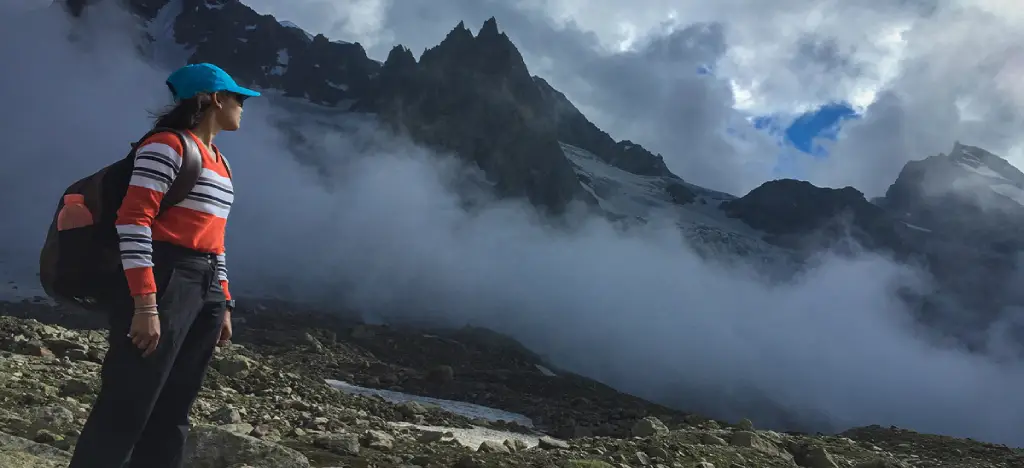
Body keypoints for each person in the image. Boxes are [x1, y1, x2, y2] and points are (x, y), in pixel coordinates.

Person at [68, 63, 260, 468]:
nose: (244, 107)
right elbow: (133, 220)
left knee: (174, 410)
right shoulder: (166, 147)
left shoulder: (220, 162)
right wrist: (145, 304)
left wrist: (222, 301)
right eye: (238, 98)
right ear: (215, 99)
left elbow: (214, 237)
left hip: (203, 283)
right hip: (165, 276)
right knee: (128, 403)